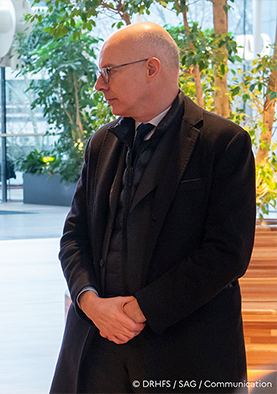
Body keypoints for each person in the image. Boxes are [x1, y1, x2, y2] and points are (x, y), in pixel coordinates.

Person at [50, 22, 256, 393]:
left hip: (185, 352)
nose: (99, 84)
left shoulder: (223, 143)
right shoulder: (101, 144)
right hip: (96, 346)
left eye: (107, 72)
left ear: (151, 68)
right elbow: (73, 236)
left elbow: (227, 253)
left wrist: (138, 310)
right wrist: (90, 302)